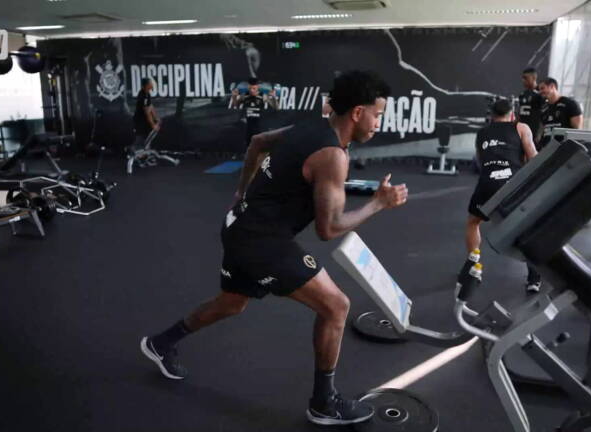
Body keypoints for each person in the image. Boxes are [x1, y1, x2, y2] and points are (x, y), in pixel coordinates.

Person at [141, 70, 407, 425]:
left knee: (232, 303)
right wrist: (378, 204)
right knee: (336, 307)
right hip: (262, 242)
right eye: (378, 115)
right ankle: (323, 403)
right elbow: (329, 228)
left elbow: (258, 142)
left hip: (239, 226)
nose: (378, 123)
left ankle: (160, 343)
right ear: (358, 112)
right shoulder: (332, 155)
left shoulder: (309, 126)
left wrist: (241, 193)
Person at [467, 99, 541, 292]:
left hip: (487, 183)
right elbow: (534, 159)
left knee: (473, 222)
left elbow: (480, 162)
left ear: (492, 116)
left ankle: (474, 266)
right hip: (513, 184)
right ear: (512, 114)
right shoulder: (521, 127)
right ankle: (534, 279)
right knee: (529, 226)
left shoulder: (482, 133)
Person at [231, 78, 279, 152]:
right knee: (249, 147)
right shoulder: (244, 96)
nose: (251, 90)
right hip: (249, 127)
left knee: (260, 148)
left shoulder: (263, 96)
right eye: (250, 88)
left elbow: (276, 107)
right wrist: (234, 97)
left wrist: (274, 98)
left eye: (254, 88)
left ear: (258, 87)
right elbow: (236, 105)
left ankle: (261, 161)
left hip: (259, 127)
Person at [538, 77, 583, 148]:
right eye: (539, 89)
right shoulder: (544, 108)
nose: (540, 92)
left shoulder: (570, 104)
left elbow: (577, 131)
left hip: (564, 149)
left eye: (542, 88)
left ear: (552, 86)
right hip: (546, 149)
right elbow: (544, 130)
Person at [130, 78, 160, 161]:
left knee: (148, 137)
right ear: (147, 85)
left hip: (144, 121)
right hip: (139, 121)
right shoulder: (142, 95)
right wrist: (153, 125)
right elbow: (147, 112)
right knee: (140, 138)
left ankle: (145, 155)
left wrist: (156, 118)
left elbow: (151, 107)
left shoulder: (147, 94)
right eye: (151, 83)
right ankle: (134, 154)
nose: (152, 85)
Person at [517, 67, 544, 144]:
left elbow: (544, 115)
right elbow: (520, 114)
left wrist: (539, 134)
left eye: (525, 78)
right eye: (522, 78)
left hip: (534, 133)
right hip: (522, 131)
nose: (523, 80)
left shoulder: (541, 93)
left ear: (534, 78)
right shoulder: (523, 94)